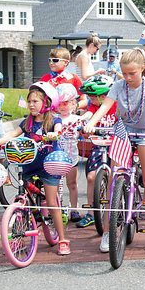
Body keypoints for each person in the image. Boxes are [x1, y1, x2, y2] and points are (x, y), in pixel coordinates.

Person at [84, 49, 145, 253]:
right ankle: (107, 231)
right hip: (123, 130)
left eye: (132, 73)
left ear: (142, 69)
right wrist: (91, 123)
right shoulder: (119, 85)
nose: (128, 78)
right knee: (115, 180)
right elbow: (105, 106)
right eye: (125, 73)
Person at [0, 82, 70, 254]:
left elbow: (58, 130)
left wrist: (54, 134)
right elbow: (12, 134)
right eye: (29, 101)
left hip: (48, 165)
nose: (31, 105)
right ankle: (24, 224)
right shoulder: (27, 122)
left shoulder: (53, 119)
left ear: (47, 103)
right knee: (24, 195)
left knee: (51, 202)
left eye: (35, 101)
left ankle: (63, 240)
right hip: (29, 164)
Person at [79, 76, 117, 233]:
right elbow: (89, 115)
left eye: (93, 96)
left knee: (117, 177)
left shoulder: (116, 106)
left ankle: (116, 207)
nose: (90, 99)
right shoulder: (93, 107)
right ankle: (91, 212)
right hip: (99, 145)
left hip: (115, 145)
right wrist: (83, 121)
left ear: (103, 96)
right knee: (91, 177)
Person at [55, 83, 90, 225]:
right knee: (57, 184)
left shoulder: (76, 120)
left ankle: (74, 209)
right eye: (60, 103)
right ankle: (58, 208)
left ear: (73, 104)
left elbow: (89, 115)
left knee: (72, 183)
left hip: (72, 157)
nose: (63, 107)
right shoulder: (53, 119)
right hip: (56, 156)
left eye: (66, 103)